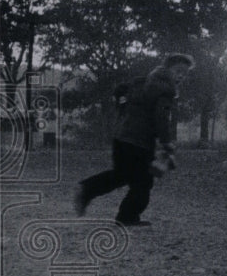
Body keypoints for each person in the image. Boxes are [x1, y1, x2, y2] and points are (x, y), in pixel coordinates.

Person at [74, 53, 194, 227]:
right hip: (139, 142)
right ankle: (126, 216)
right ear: (167, 69)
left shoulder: (142, 81)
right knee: (143, 181)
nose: (181, 76)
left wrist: (123, 110)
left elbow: (120, 90)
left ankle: (88, 190)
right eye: (178, 71)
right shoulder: (165, 90)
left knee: (122, 175)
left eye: (185, 73)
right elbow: (161, 118)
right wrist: (167, 142)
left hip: (122, 137)